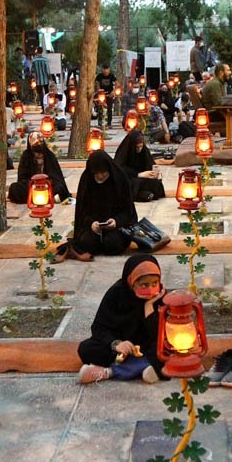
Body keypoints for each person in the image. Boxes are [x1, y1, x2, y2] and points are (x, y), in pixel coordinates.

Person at [77, 254, 168, 384]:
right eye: (144, 285)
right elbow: (99, 327)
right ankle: (143, 367)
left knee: (168, 351)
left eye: (155, 283)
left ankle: (109, 372)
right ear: (131, 282)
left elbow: (158, 333)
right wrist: (116, 344)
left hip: (148, 347)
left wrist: (149, 306)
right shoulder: (116, 294)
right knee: (87, 348)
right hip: (121, 349)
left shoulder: (161, 297)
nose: (150, 290)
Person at [70, 150, 149, 259]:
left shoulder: (119, 178)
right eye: (96, 173)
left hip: (117, 225)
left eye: (103, 172)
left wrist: (116, 221)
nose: (100, 176)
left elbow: (128, 210)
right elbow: (82, 210)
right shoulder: (87, 180)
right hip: (93, 225)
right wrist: (91, 223)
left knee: (112, 245)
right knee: (87, 244)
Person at [9, 132, 70, 205]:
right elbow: (22, 177)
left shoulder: (49, 156)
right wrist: (33, 183)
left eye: (40, 142)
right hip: (32, 186)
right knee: (15, 188)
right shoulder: (26, 156)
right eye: (35, 143)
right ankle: (46, 198)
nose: (38, 144)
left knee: (59, 187)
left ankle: (42, 198)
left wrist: (46, 182)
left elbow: (56, 177)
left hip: (47, 185)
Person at [114, 129, 166, 202]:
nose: (139, 149)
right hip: (130, 179)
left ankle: (144, 194)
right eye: (137, 147)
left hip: (142, 179)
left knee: (154, 183)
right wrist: (138, 174)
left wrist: (155, 173)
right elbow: (119, 170)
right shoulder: (124, 152)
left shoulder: (144, 151)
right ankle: (142, 195)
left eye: (141, 147)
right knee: (131, 184)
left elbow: (150, 164)